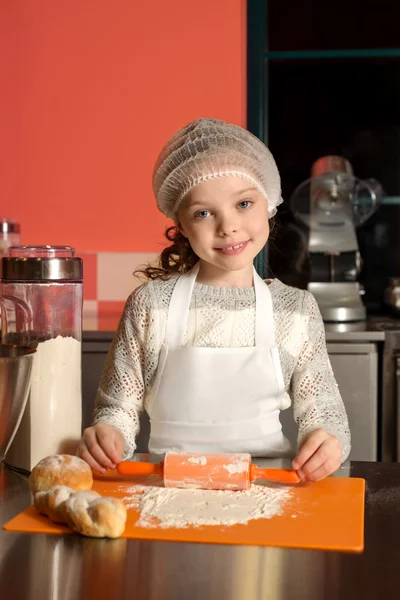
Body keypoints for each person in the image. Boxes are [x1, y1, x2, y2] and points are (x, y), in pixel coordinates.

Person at [77, 118, 351, 483]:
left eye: (244, 203)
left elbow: (324, 412)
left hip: (266, 492)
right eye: (203, 213)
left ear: (268, 203)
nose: (228, 227)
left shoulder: (296, 310)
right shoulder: (150, 305)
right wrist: (108, 435)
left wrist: (328, 441)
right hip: (166, 492)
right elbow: (117, 411)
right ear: (182, 225)